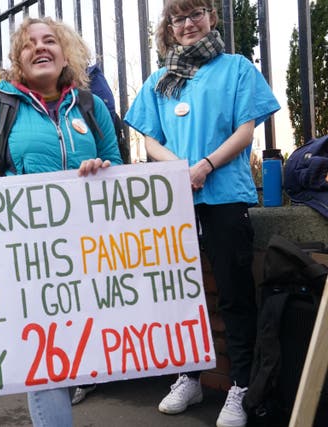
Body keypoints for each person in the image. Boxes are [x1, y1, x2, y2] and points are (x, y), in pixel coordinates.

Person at [0, 17, 122, 427]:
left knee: (78, 347)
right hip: (27, 256)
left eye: (49, 41)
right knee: (48, 359)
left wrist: (102, 167)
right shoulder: (0, 106)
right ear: (18, 60)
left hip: (85, 250)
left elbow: (118, 167)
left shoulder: (91, 106)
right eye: (29, 45)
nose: (40, 48)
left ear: (65, 54)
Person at [123, 2, 280, 426]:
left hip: (224, 196)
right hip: (176, 202)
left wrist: (205, 166)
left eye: (195, 14)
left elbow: (246, 129)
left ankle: (241, 385)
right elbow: (149, 138)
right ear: (169, 28)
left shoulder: (237, 68)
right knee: (181, 293)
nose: (188, 24)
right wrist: (177, 168)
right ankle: (189, 376)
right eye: (178, 18)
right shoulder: (161, 78)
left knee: (233, 292)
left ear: (211, 17)